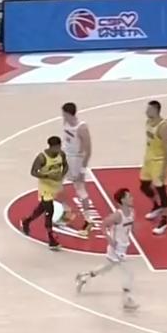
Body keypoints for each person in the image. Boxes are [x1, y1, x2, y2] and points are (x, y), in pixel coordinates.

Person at [74, 188, 138, 310]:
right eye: (129, 197)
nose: (132, 198)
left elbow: (128, 227)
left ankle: (84, 276)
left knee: (107, 267)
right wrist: (109, 239)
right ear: (122, 200)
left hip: (123, 245)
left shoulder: (132, 212)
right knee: (128, 272)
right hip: (116, 247)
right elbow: (103, 225)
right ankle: (127, 300)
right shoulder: (117, 215)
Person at [19, 136, 68, 251]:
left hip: (56, 185)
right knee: (49, 211)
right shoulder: (42, 158)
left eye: (59, 147)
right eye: (56, 147)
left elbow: (66, 165)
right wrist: (47, 175)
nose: (58, 149)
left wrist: (61, 175)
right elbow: (33, 172)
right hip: (45, 187)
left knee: (42, 209)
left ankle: (27, 221)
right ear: (50, 147)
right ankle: (51, 239)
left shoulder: (61, 154)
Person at [59, 102, 94, 238]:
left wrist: (82, 169)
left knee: (80, 189)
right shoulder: (66, 122)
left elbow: (88, 150)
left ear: (68, 114)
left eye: (64, 114)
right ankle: (66, 212)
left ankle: (88, 219)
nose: (62, 116)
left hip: (77, 160)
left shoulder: (81, 128)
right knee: (57, 185)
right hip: (66, 157)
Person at [140, 100, 167, 235]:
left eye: (149, 110)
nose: (146, 112)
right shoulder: (148, 122)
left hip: (159, 162)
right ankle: (156, 206)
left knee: (162, 191)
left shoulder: (163, 126)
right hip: (148, 160)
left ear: (155, 110)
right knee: (144, 186)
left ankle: (164, 221)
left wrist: (164, 168)